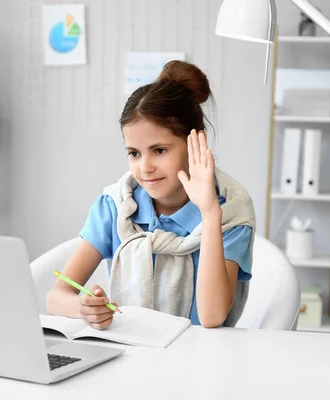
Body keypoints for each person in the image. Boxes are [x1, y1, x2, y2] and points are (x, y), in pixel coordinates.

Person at [46, 60, 255, 329]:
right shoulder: (117, 206)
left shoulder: (230, 210)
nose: (144, 168)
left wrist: (210, 212)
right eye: (134, 153)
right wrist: (84, 308)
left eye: (159, 150)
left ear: (196, 143)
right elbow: (56, 298)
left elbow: (212, 317)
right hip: (130, 355)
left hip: (200, 361)